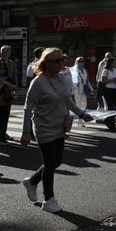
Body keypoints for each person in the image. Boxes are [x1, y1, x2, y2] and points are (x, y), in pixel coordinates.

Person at [20, 48, 93, 213]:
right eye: (57, 61)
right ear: (46, 63)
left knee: (56, 162)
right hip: (43, 127)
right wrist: (25, 132)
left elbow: (67, 100)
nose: (62, 63)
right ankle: (49, 200)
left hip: (59, 126)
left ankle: (31, 181)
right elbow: (27, 108)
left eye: (62, 60)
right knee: (51, 163)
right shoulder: (38, 82)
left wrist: (81, 113)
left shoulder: (61, 78)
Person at [100, 56, 116, 132]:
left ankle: (107, 119)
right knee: (111, 108)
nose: (115, 63)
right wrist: (112, 80)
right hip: (107, 90)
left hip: (115, 90)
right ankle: (112, 125)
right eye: (114, 62)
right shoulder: (105, 70)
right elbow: (103, 81)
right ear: (111, 62)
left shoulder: (115, 70)